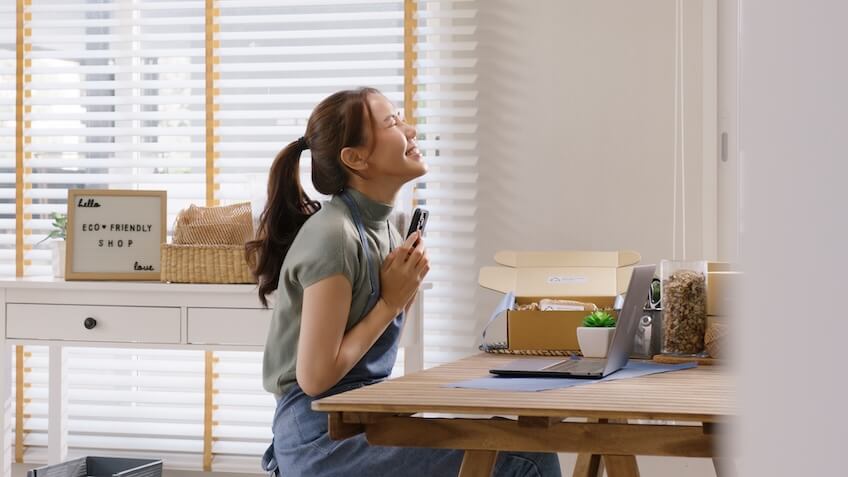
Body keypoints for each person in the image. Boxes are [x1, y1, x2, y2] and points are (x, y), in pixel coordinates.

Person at [247, 87, 562, 477]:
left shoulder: (388, 233)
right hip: (320, 440)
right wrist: (392, 303)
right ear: (355, 158)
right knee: (527, 462)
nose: (411, 130)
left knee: (526, 445)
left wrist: (403, 293)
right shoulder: (334, 236)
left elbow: (369, 354)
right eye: (393, 122)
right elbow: (315, 378)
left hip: (363, 419)